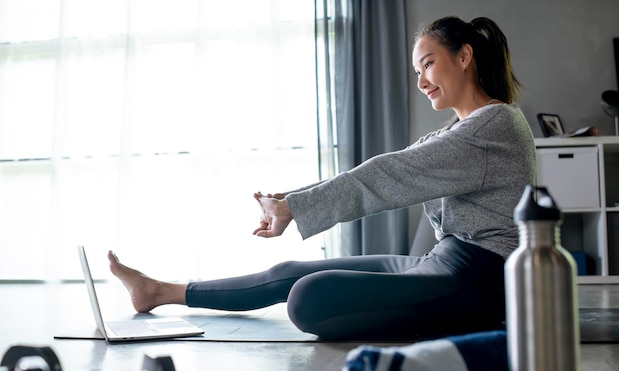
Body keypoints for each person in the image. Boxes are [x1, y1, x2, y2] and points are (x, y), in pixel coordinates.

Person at [109, 16, 536, 341]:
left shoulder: (490, 127)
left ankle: (160, 290)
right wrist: (292, 197)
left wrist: (295, 208)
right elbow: (391, 165)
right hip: (444, 263)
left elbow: (391, 174)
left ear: (464, 57)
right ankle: (157, 290)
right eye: (416, 72)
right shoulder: (463, 129)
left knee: (308, 297)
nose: (422, 81)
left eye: (428, 64)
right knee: (290, 271)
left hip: (479, 279)